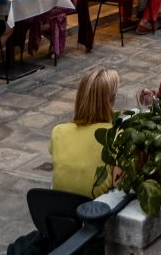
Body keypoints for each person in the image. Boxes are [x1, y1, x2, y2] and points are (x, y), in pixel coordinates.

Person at [50, 66, 119, 197]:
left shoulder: (58, 132)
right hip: (96, 211)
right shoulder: (115, 135)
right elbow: (118, 183)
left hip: (59, 210)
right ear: (110, 102)